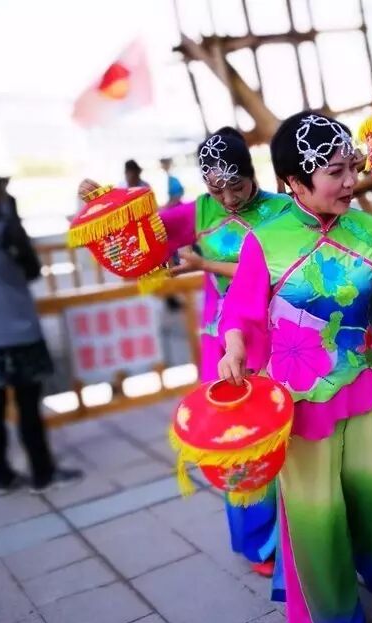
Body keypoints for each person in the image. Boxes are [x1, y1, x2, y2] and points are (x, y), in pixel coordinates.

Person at [218, 111, 372, 623]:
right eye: (334, 172)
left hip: (365, 383)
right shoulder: (266, 240)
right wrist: (233, 349)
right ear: (294, 183)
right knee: (316, 515)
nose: (351, 181)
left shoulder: (368, 231)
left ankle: (366, 565)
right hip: (299, 402)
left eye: (352, 167)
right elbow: (241, 311)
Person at [78, 127, 289, 577]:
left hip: (278, 332)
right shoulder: (199, 212)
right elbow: (142, 238)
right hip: (224, 339)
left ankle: (296, 533)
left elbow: (277, 270)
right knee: (239, 439)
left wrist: (205, 264)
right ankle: (259, 542)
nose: (228, 198)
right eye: (216, 189)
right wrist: (102, 203)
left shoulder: (283, 211)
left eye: (237, 185)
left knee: (287, 433)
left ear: (251, 173)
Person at [0, 165, 83, 492]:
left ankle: (3, 476)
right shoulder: (1, 228)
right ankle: (42, 473)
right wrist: (12, 213)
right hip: (18, 332)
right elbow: (32, 270)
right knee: (27, 407)